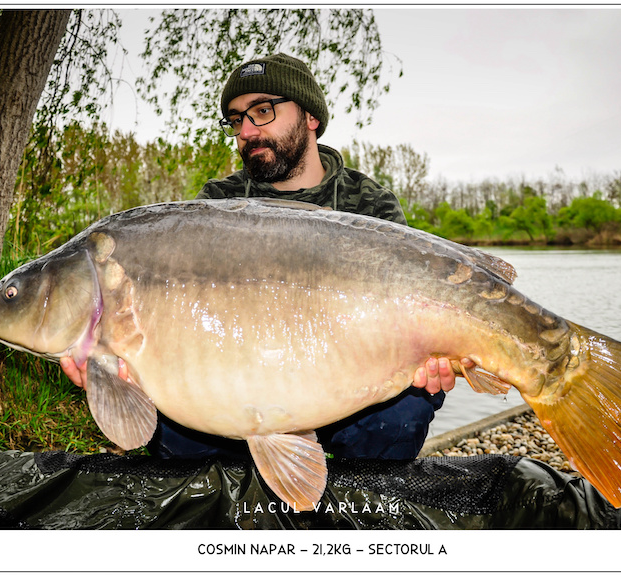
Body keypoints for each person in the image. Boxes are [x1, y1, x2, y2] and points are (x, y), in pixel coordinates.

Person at [61, 53, 456, 461]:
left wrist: (430, 360)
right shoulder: (214, 206)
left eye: (263, 111)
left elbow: (419, 308)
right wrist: (120, 367)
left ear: (310, 117)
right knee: (176, 426)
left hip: (350, 385)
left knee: (403, 412)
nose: (247, 130)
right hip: (240, 386)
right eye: (236, 120)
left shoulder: (369, 205)